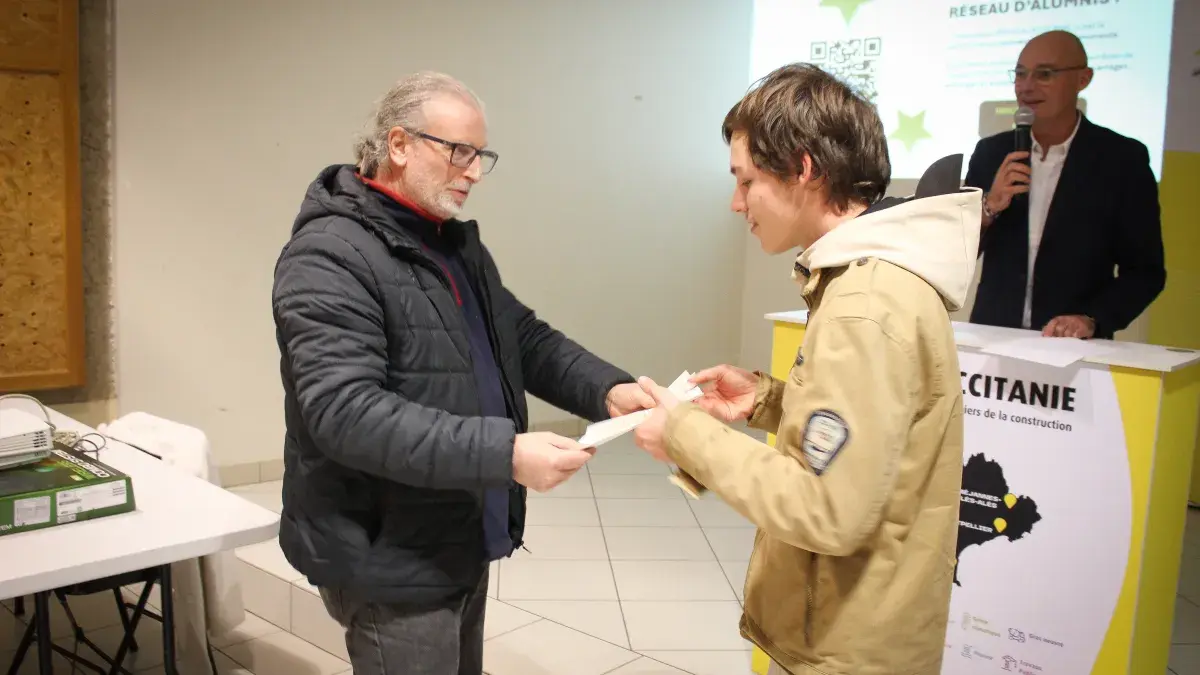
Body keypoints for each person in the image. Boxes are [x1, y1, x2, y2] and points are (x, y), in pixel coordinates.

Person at [270, 71, 651, 675]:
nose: (474, 172)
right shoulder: (329, 255)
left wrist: (607, 387)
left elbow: (520, 336)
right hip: (387, 552)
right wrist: (505, 454)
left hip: (454, 527)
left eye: (481, 155)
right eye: (459, 152)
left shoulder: (449, 242)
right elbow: (344, 414)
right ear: (398, 145)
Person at [632, 63, 978, 674]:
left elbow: (826, 509)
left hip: (848, 647)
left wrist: (683, 432)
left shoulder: (864, 308)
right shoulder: (872, 284)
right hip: (863, 629)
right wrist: (768, 401)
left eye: (746, 181)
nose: (736, 203)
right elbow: (874, 439)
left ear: (804, 168)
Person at [965, 30, 1166, 339]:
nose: (1027, 86)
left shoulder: (1122, 159)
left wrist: (1092, 318)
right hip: (992, 341)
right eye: (1020, 74)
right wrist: (989, 207)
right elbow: (956, 254)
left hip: (1072, 351)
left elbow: (1145, 272)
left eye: (1044, 74)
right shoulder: (991, 153)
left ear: (1083, 79)